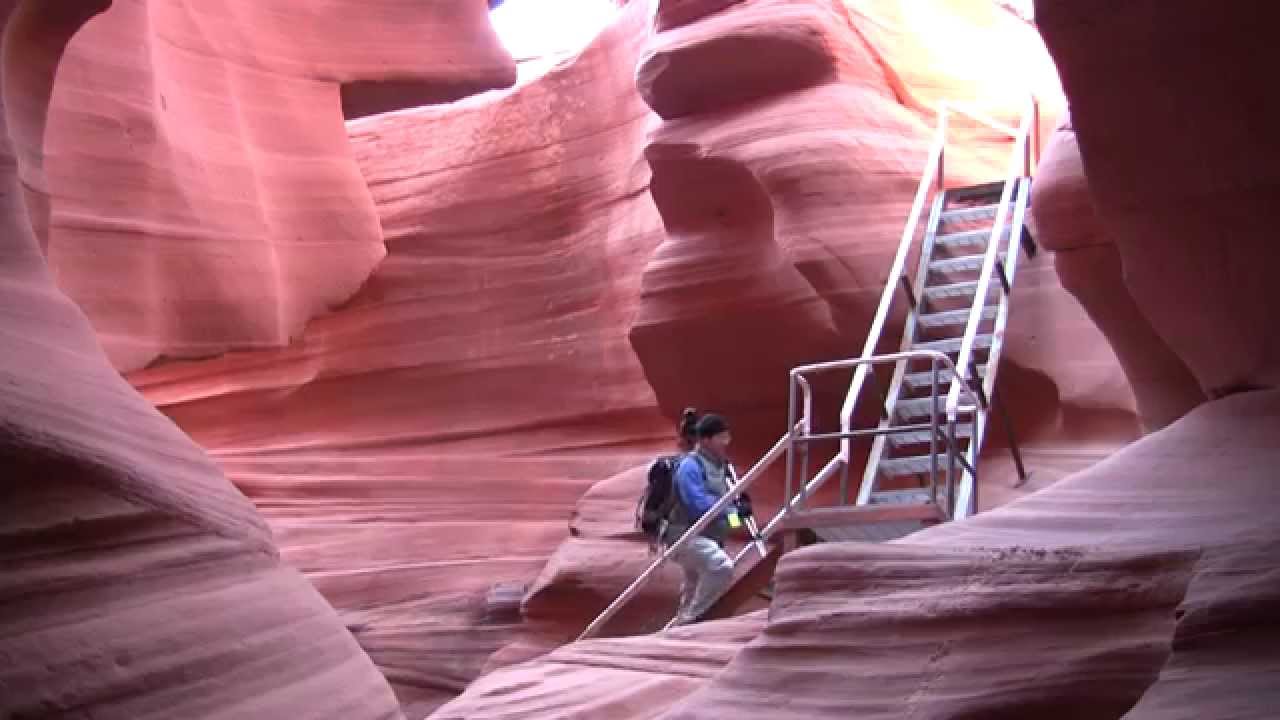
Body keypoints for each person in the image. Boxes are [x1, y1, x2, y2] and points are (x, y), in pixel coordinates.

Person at [665, 413, 738, 625]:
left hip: (706, 537)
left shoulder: (722, 466)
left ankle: (679, 627)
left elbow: (732, 503)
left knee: (693, 583)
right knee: (720, 566)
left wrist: (736, 519)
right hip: (684, 536)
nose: (726, 442)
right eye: (721, 437)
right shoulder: (690, 466)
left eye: (727, 437)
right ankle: (692, 620)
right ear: (706, 440)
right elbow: (697, 504)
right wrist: (729, 511)